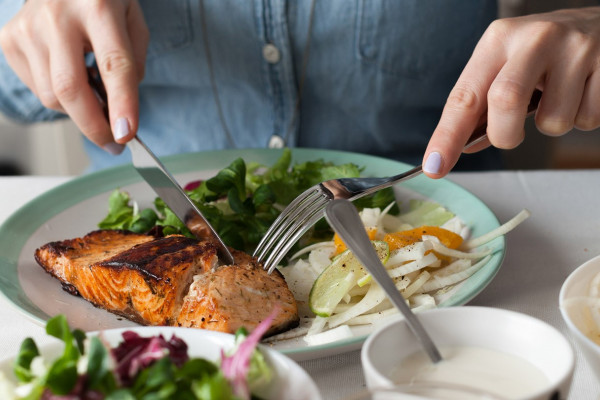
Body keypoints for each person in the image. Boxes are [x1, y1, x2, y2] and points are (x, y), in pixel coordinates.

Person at [0, 1, 599, 176]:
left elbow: (560, 29)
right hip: (133, 295)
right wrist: (33, 27)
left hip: (457, 260)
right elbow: (14, 94)